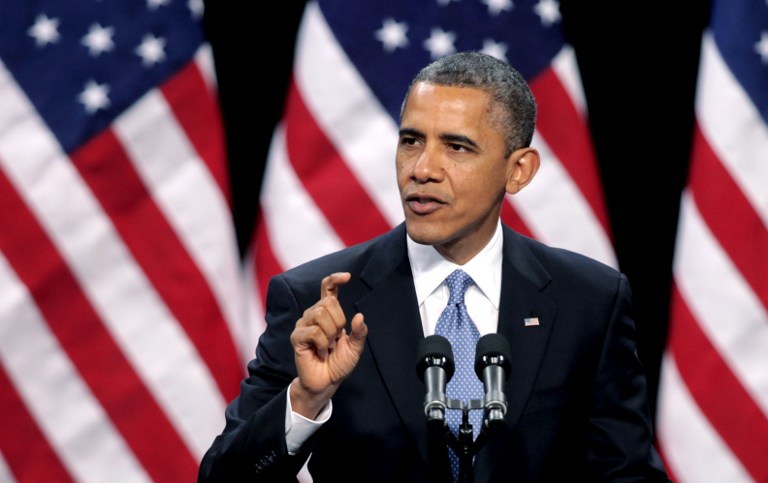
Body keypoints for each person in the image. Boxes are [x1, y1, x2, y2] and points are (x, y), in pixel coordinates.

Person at [198, 51, 671, 482]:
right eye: (411, 141)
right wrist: (305, 400)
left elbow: (626, 474)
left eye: (457, 147)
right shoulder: (320, 301)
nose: (422, 168)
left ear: (518, 170)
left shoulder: (588, 301)